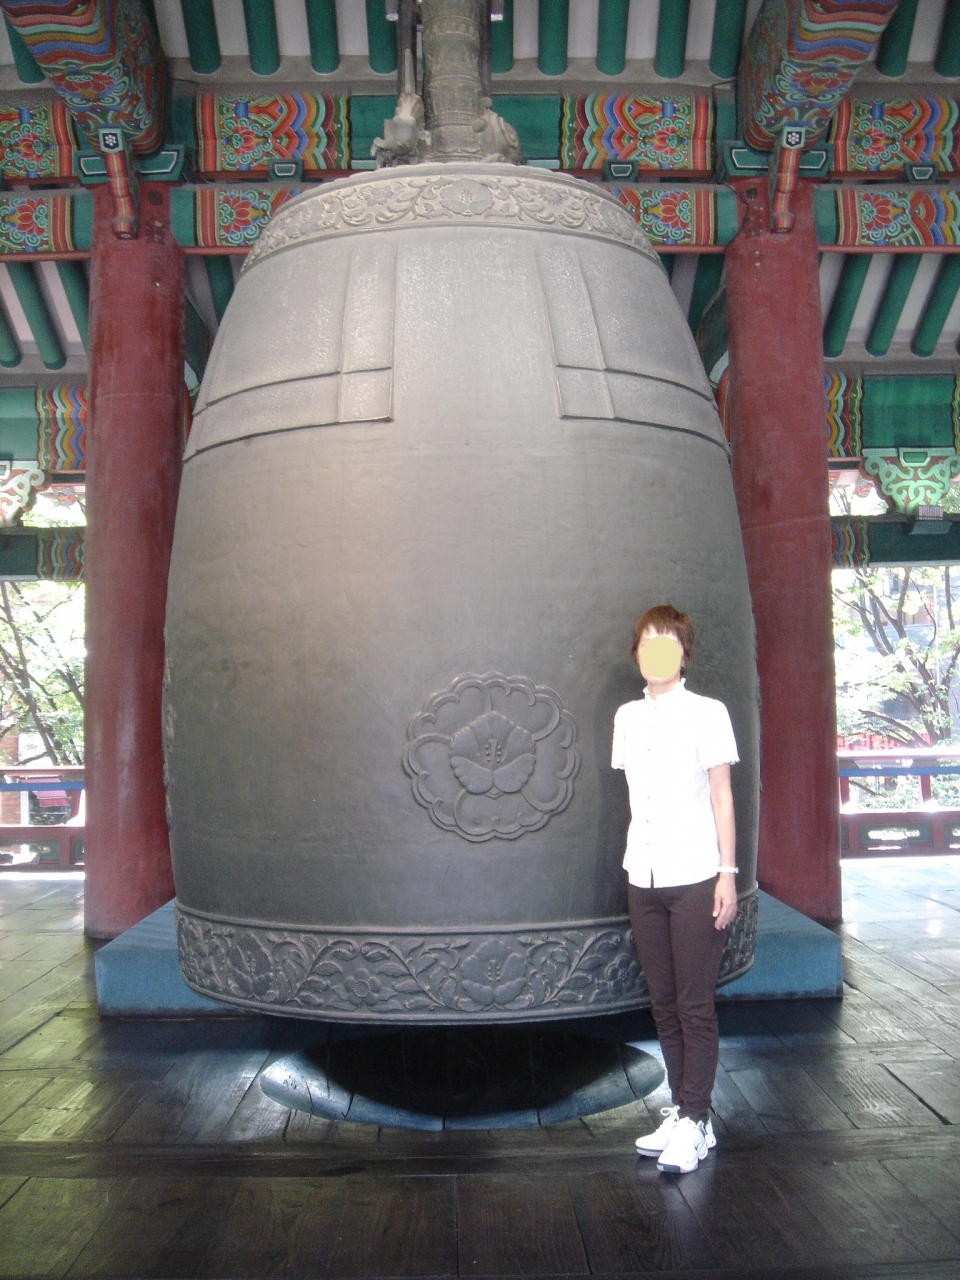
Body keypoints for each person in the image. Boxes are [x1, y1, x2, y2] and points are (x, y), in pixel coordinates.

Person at [611, 603, 739, 1174]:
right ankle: (684, 1111)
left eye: (668, 642)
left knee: (694, 1003)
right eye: (647, 642)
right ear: (637, 653)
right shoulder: (626, 717)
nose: (656, 651)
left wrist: (727, 873)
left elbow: (722, 796)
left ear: (684, 654)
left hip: (695, 876)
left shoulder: (708, 713)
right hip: (642, 874)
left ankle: (696, 1118)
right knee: (662, 1002)